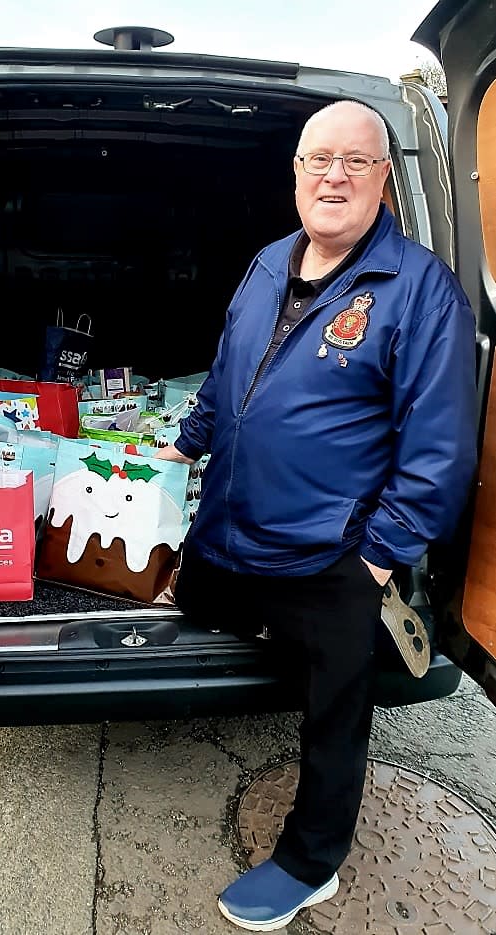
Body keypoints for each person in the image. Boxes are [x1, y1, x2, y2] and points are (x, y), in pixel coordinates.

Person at [156, 100, 478, 932]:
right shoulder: (268, 263)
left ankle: (311, 861)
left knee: (336, 710)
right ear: (295, 172)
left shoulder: (418, 290)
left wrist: (380, 557)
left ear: (381, 179)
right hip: (230, 524)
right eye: (316, 159)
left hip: (329, 552)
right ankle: (264, 623)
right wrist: (183, 447)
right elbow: (230, 369)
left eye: (354, 162)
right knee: (194, 603)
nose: (332, 175)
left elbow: (437, 449)